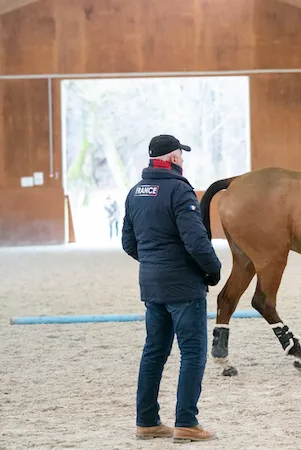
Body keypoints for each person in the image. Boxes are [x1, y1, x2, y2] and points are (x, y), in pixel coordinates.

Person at [122, 134, 222, 443]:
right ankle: (186, 423)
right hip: (183, 286)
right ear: (173, 158)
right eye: (181, 154)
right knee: (192, 353)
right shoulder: (180, 191)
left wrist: (153, 262)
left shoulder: (135, 192)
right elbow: (196, 241)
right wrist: (213, 270)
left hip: (152, 286)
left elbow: (128, 243)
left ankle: (147, 421)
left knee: (154, 352)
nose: (184, 158)